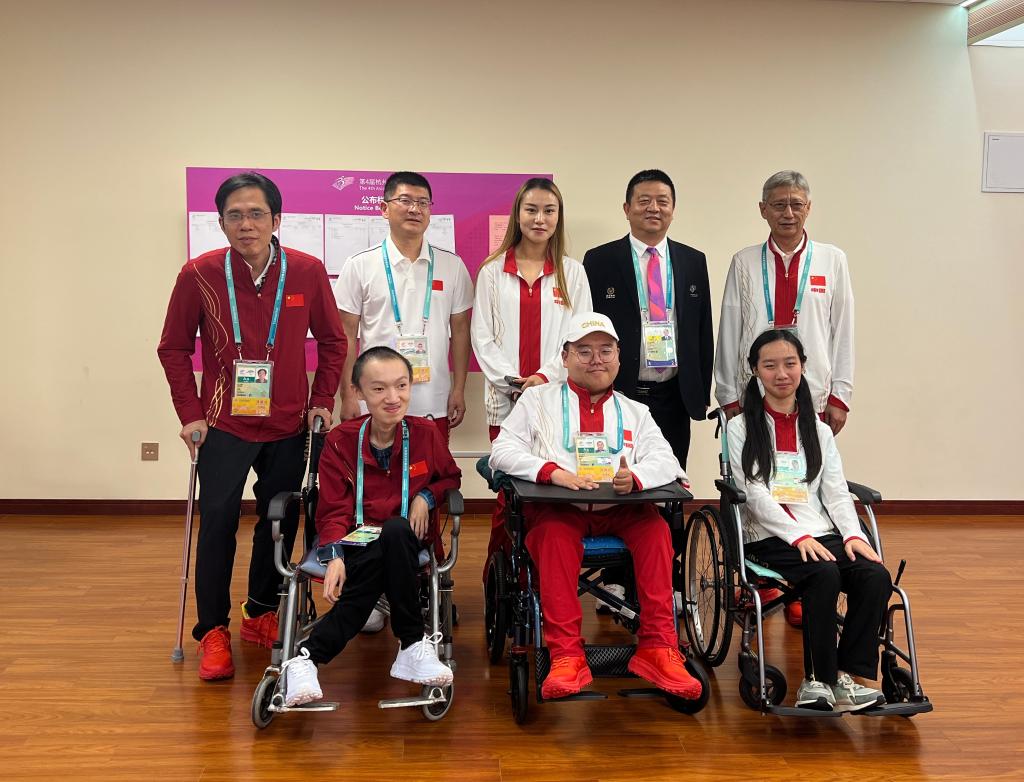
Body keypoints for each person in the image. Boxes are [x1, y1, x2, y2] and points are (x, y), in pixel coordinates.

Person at [158, 172, 346, 680]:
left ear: (276, 219)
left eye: (257, 213)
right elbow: (173, 348)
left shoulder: (306, 271)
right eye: (235, 215)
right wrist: (190, 413)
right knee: (218, 521)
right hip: (223, 422)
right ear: (221, 223)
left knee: (278, 518)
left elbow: (334, 342)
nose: (246, 224)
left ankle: (260, 611)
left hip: (289, 421)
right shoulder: (199, 274)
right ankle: (212, 630)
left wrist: (321, 399)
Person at [489, 312, 702, 702]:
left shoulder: (635, 411)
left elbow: (667, 461)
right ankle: (566, 654)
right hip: (559, 509)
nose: (596, 360)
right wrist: (552, 472)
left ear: (619, 356)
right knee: (553, 538)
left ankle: (659, 647)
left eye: (605, 350)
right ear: (565, 357)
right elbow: (501, 452)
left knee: (656, 531)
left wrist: (635, 477)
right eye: (584, 351)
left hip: (622, 509)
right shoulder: (537, 400)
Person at [280, 347, 461, 707]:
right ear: (358, 392)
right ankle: (412, 644)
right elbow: (333, 510)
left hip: (405, 540)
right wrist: (334, 554)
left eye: (401, 386)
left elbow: (450, 478)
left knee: (395, 530)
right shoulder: (340, 440)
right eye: (379, 389)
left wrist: (426, 496)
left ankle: (305, 659)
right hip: (356, 542)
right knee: (379, 557)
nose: (393, 398)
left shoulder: (425, 433)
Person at [715, 170, 855, 627]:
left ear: (808, 208)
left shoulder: (831, 260)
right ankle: (771, 573)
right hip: (755, 395)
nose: (788, 212)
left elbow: (843, 331)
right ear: (763, 210)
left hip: (810, 395)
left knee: (807, 479)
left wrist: (840, 395)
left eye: (796, 203)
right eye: (778, 204)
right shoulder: (744, 261)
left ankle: (805, 580)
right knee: (760, 476)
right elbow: (730, 328)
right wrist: (729, 396)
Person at [334, 171, 472, 632]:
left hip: (431, 400)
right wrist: (347, 395)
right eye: (405, 200)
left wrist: (458, 388)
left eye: (423, 202)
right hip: (376, 402)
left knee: (424, 496)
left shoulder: (451, 266)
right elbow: (345, 336)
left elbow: (460, 333)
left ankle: (424, 583)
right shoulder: (360, 265)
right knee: (372, 497)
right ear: (384, 207)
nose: (415, 209)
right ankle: (371, 589)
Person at [727, 329, 889, 712]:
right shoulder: (741, 427)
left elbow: (836, 491)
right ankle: (817, 680)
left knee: (874, 575)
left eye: (790, 363)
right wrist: (797, 537)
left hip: (819, 531)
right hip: (767, 535)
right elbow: (754, 494)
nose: (781, 373)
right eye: (770, 365)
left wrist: (852, 534)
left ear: (802, 366)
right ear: (755, 370)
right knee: (823, 574)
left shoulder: (818, 430)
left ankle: (845, 676)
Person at [583, 169, 713, 610]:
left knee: (668, 489)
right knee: (617, 485)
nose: (653, 208)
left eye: (662, 201)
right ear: (626, 208)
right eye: (643, 200)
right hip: (621, 394)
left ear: (673, 209)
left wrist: (700, 389)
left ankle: (667, 584)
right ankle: (616, 583)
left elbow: (702, 331)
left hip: (674, 394)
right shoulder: (600, 260)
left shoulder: (693, 261)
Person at [471, 178, 592, 580]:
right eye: (532, 210)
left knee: (551, 490)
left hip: (555, 398)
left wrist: (542, 378)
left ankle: (545, 578)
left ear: (559, 217)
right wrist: (514, 382)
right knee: (510, 494)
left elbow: (579, 337)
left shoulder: (573, 273)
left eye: (549, 211)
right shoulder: (492, 271)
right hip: (506, 402)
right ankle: (501, 579)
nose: (540, 218)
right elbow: (482, 338)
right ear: (518, 215)